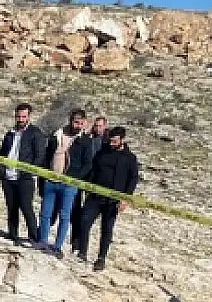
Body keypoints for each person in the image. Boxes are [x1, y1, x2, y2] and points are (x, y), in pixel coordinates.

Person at [73, 126, 141, 270]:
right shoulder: (102, 151)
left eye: (115, 141)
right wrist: (88, 185)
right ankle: (82, 251)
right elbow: (94, 168)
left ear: (122, 140)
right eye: (110, 141)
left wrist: (125, 198)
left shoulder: (129, 158)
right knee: (84, 221)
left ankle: (101, 258)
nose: (112, 144)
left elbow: (133, 179)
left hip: (113, 199)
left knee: (107, 228)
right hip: (95, 195)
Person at [36, 108, 86, 256]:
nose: (77, 125)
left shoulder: (85, 141)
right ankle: (42, 241)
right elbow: (47, 156)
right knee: (45, 213)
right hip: (50, 180)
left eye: (80, 123)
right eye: (75, 122)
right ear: (70, 120)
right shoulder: (56, 135)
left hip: (69, 184)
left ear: (84, 123)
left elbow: (87, 164)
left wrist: (74, 178)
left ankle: (57, 246)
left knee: (65, 216)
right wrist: (43, 177)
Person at [0, 103, 48, 244]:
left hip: (25, 178)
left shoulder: (35, 133)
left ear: (29, 117)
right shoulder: (10, 133)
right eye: (18, 116)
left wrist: (29, 170)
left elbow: (40, 156)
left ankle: (34, 237)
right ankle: (13, 235)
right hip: (8, 176)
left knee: (26, 207)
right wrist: (1, 170)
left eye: (24, 116)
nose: (21, 119)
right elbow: (2, 153)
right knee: (11, 208)